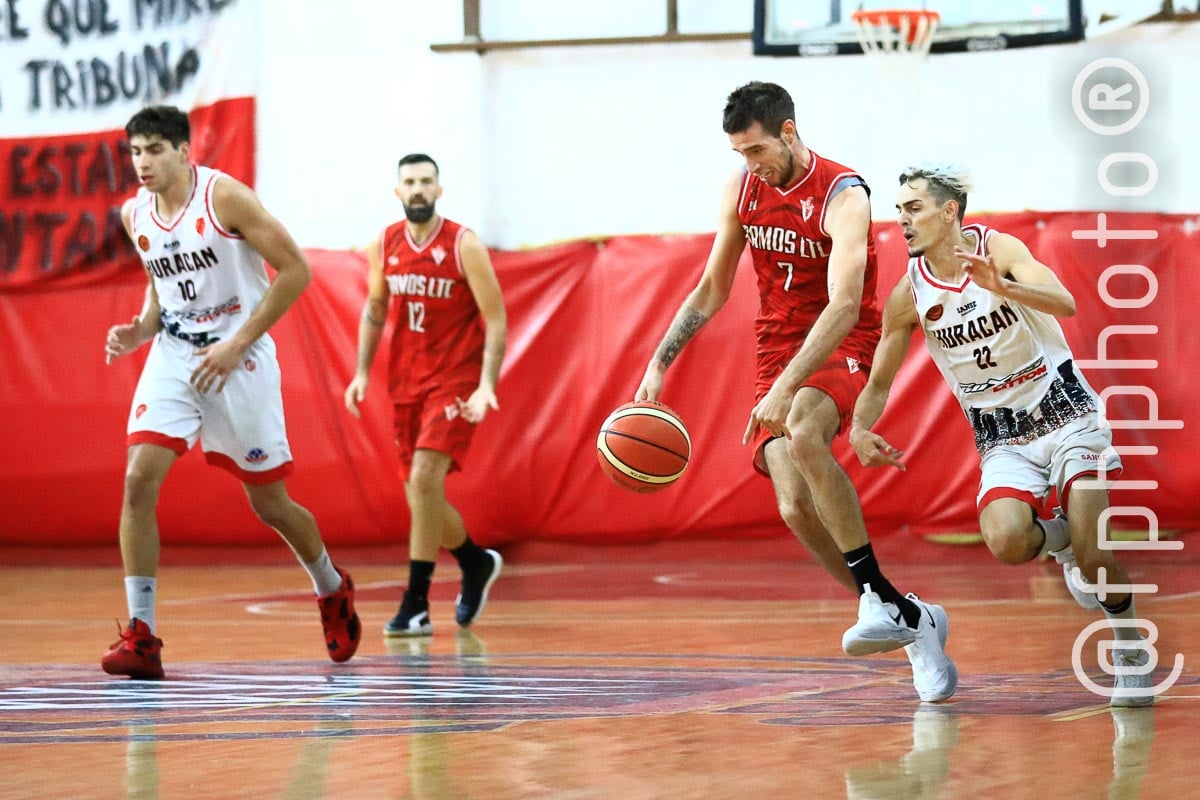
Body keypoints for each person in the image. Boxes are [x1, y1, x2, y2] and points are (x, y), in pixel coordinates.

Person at [635, 81, 956, 702]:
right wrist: (658, 364)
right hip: (776, 345)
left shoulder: (845, 194)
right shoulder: (744, 189)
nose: (749, 163)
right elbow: (711, 288)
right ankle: (905, 617)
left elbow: (842, 304)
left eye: (756, 149)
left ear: (788, 132)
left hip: (843, 338)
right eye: (739, 153)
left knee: (806, 432)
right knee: (792, 506)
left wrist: (785, 390)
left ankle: (883, 608)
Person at [849, 162, 1154, 707]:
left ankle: (1130, 647)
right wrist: (859, 426)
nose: (902, 221)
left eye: (913, 208)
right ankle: (1058, 542)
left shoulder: (1003, 251)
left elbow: (1067, 303)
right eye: (898, 211)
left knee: (1094, 553)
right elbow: (879, 380)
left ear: (949, 213)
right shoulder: (911, 293)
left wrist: (1003, 285)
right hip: (1003, 434)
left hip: (1064, 414)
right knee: (1007, 541)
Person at [102, 105, 360, 679]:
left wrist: (238, 341)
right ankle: (141, 635)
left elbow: (294, 270)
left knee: (269, 503)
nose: (142, 163)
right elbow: (158, 280)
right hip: (175, 355)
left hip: (237, 356)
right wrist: (141, 329)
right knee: (139, 479)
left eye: (153, 150)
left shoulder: (225, 199)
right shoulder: (134, 214)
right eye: (135, 151)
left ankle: (330, 585)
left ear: (183, 151)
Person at [344, 153, 506, 639]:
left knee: (424, 477)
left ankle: (415, 602)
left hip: (454, 380)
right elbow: (375, 310)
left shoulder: (463, 244)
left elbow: (495, 319)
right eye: (409, 182)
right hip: (406, 382)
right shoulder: (385, 243)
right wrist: (360, 373)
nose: (418, 189)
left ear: (439, 190)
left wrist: (486, 385)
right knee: (421, 496)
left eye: (426, 182)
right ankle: (474, 562)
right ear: (398, 191)